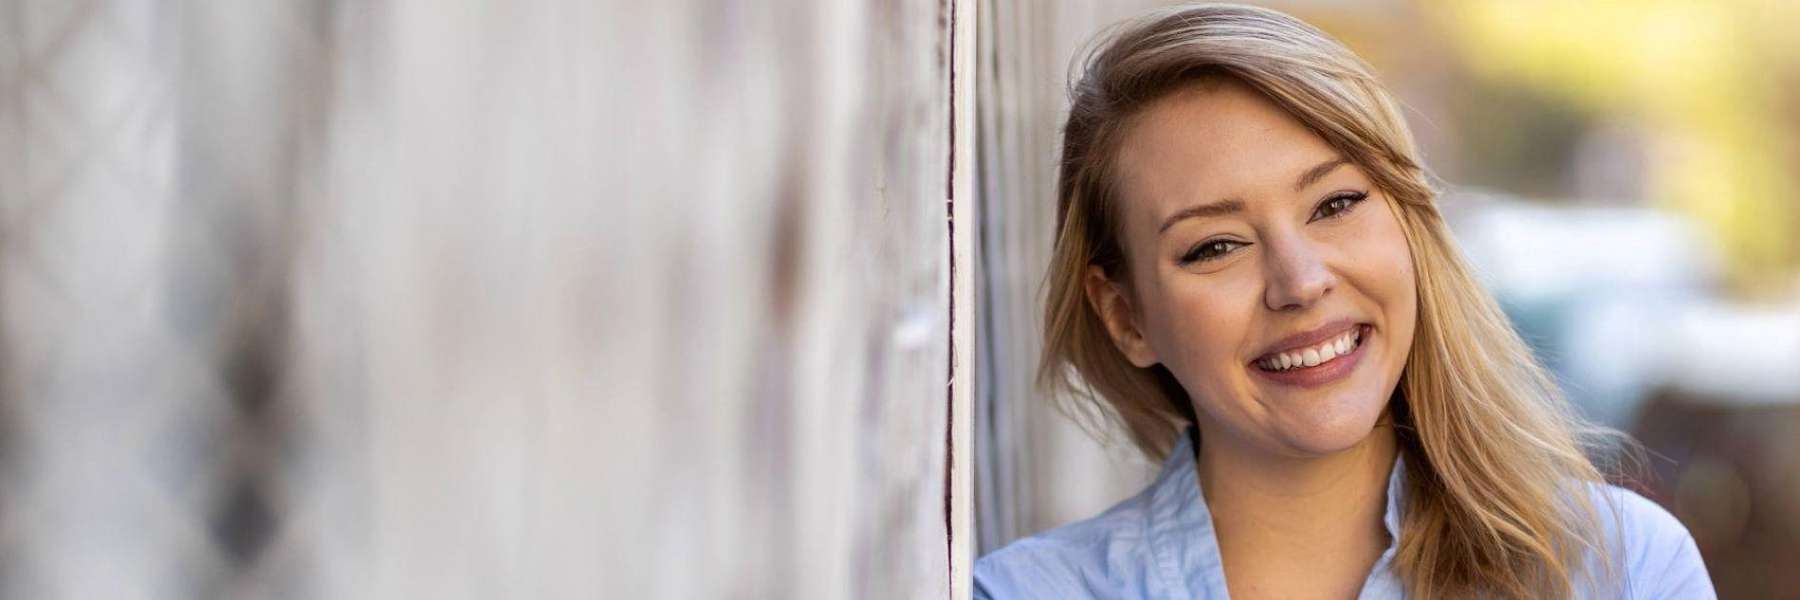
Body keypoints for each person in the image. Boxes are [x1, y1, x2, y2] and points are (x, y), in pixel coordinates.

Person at [973, 3, 1714, 598]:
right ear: (1126, 317)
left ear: (1409, 224)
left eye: (1335, 204)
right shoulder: (1023, 592)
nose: (1300, 282)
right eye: (1216, 246)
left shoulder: (1623, 571)